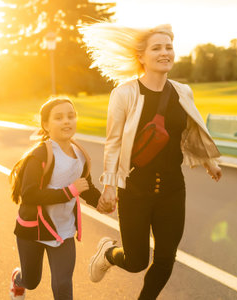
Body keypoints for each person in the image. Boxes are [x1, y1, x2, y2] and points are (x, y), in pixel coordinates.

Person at [80, 23, 222, 299]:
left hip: (172, 189)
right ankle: (108, 253)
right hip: (135, 189)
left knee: (166, 258)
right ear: (141, 57)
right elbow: (113, 143)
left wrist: (208, 161)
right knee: (136, 261)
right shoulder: (124, 94)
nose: (165, 52)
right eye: (156, 48)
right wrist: (109, 186)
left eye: (168, 47)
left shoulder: (183, 91)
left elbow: (189, 130)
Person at [8, 97, 110, 300]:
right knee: (32, 281)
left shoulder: (80, 154)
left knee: (63, 285)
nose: (66, 121)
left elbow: (85, 186)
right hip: (33, 230)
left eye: (71, 116)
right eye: (59, 118)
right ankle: (18, 281)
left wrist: (100, 202)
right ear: (45, 125)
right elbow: (28, 195)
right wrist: (68, 192)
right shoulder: (41, 155)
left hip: (63, 232)